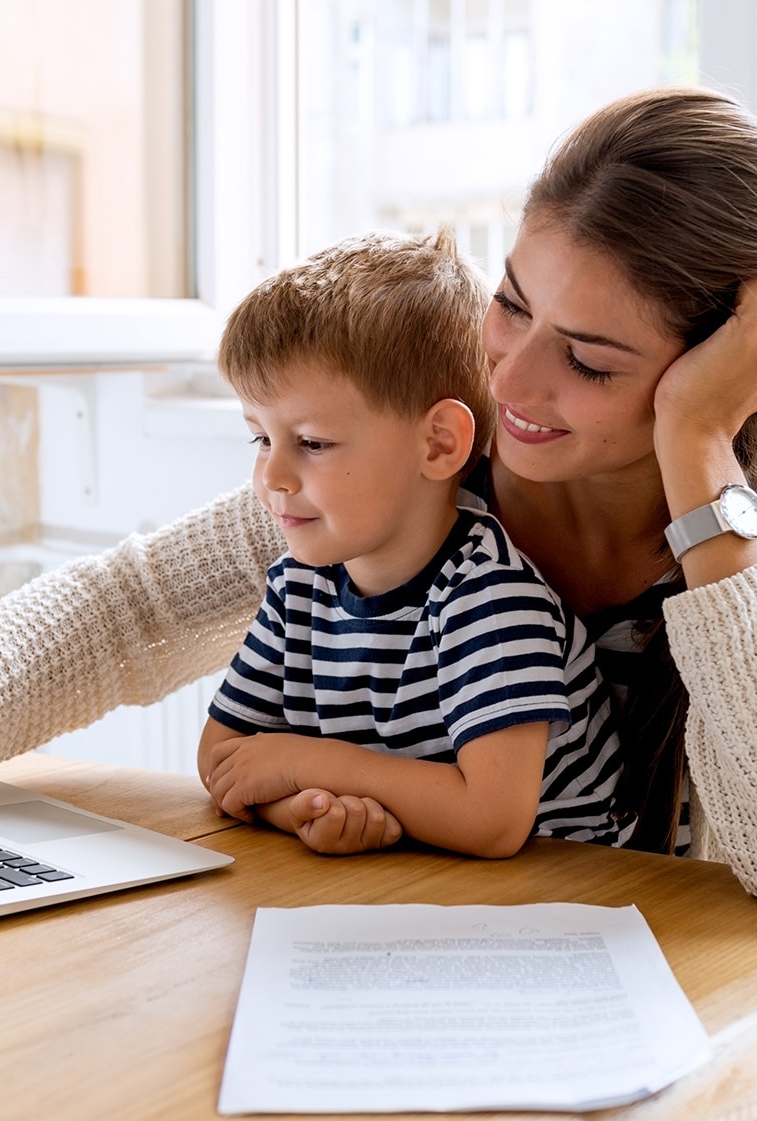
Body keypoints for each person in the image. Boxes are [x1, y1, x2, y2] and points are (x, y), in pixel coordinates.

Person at [0, 87, 757, 1121]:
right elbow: (141, 604)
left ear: (729, 370)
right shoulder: (442, 449)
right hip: (440, 1043)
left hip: (711, 1115)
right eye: (511, 306)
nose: (511, 379)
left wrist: (700, 453)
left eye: (592, 362)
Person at [198, 229, 625, 858]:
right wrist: (302, 806)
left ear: (438, 445)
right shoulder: (298, 588)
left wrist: (305, 761)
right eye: (260, 438)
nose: (272, 477)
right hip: (422, 889)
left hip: (567, 902)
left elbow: (492, 820)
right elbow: (225, 759)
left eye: (312, 443)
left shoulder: (492, 600)